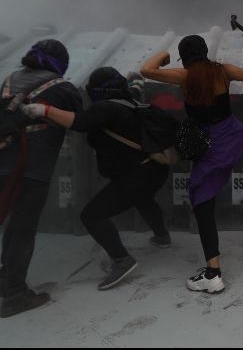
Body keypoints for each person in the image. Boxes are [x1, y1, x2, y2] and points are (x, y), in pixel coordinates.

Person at [21, 67, 172, 291]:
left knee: (92, 215)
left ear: (97, 91)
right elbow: (136, 87)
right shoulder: (130, 100)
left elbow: (80, 123)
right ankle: (162, 237)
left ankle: (122, 260)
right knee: (143, 198)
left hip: (137, 175)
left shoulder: (106, 108)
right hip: (155, 169)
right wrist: (135, 81)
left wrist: (44, 109)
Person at [140, 29, 243, 293]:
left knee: (202, 202)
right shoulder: (223, 71)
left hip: (209, 145)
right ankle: (212, 268)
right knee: (205, 198)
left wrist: (163, 55)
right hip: (231, 137)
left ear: (184, 57)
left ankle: (213, 273)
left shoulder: (184, 76)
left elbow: (146, 70)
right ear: (205, 52)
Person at [0, 39, 83, 318]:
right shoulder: (62, 88)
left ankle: (6, 283)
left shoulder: (9, 81)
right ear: (60, 65)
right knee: (24, 228)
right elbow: (82, 122)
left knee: (17, 223)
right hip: (28, 168)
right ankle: (14, 295)